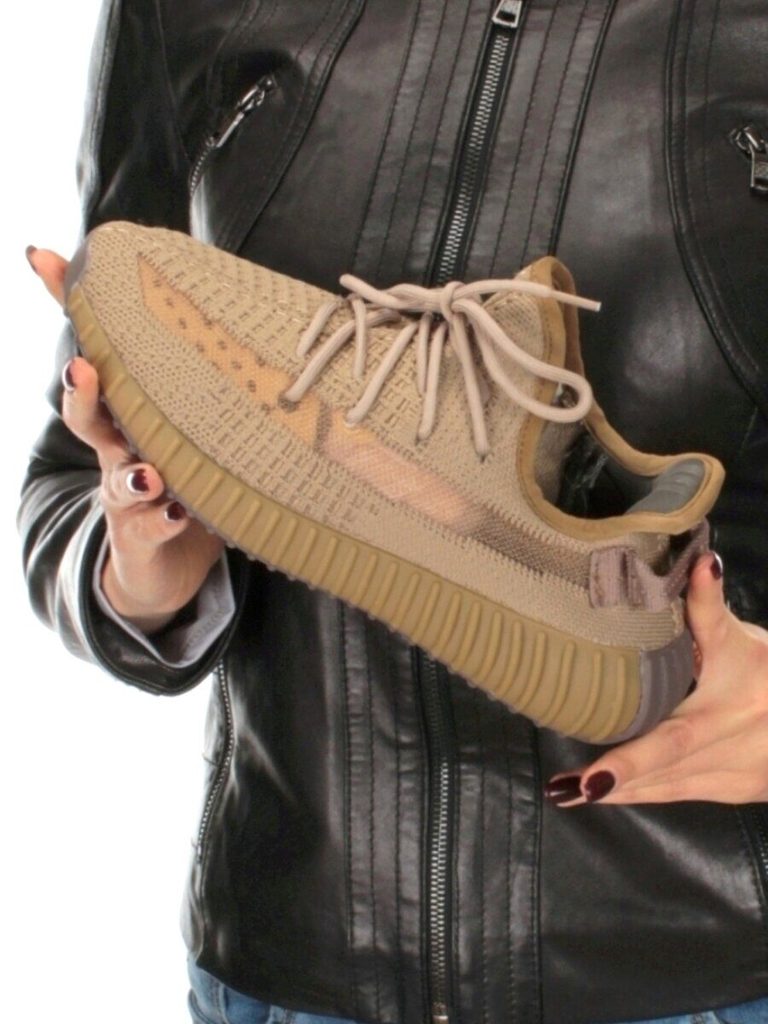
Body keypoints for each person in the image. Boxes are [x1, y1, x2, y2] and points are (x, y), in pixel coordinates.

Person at [19, 1, 768, 1022]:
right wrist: (141, 565)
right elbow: (70, 476)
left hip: (701, 977)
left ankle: (568, 537)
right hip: (295, 968)